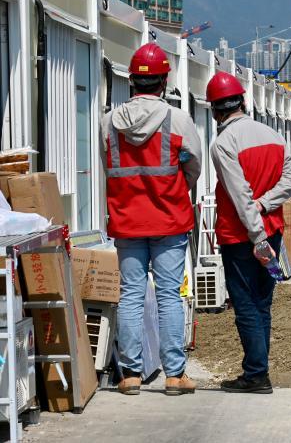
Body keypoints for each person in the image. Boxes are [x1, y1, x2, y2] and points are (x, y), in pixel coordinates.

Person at [101, 43, 202, 396]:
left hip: (127, 220)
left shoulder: (109, 122)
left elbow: (110, 169)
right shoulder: (179, 120)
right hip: (170, 220)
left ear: (132, 81)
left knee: (129, 295)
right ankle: (174, 376)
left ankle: (130, 375)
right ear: (164, 82)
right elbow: (193, 166)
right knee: (169, 296)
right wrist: (175, 191)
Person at [207, 72, 291, 394]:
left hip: (241, 237)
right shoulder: (271, 134)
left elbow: (238, 194)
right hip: (270, 231)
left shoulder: (223, 143)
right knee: (262, 302)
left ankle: (257, 374)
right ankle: (258, 369)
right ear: (243, 102)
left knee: (246, 304)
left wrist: (256, 231)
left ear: (215, 110)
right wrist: (266, 205)